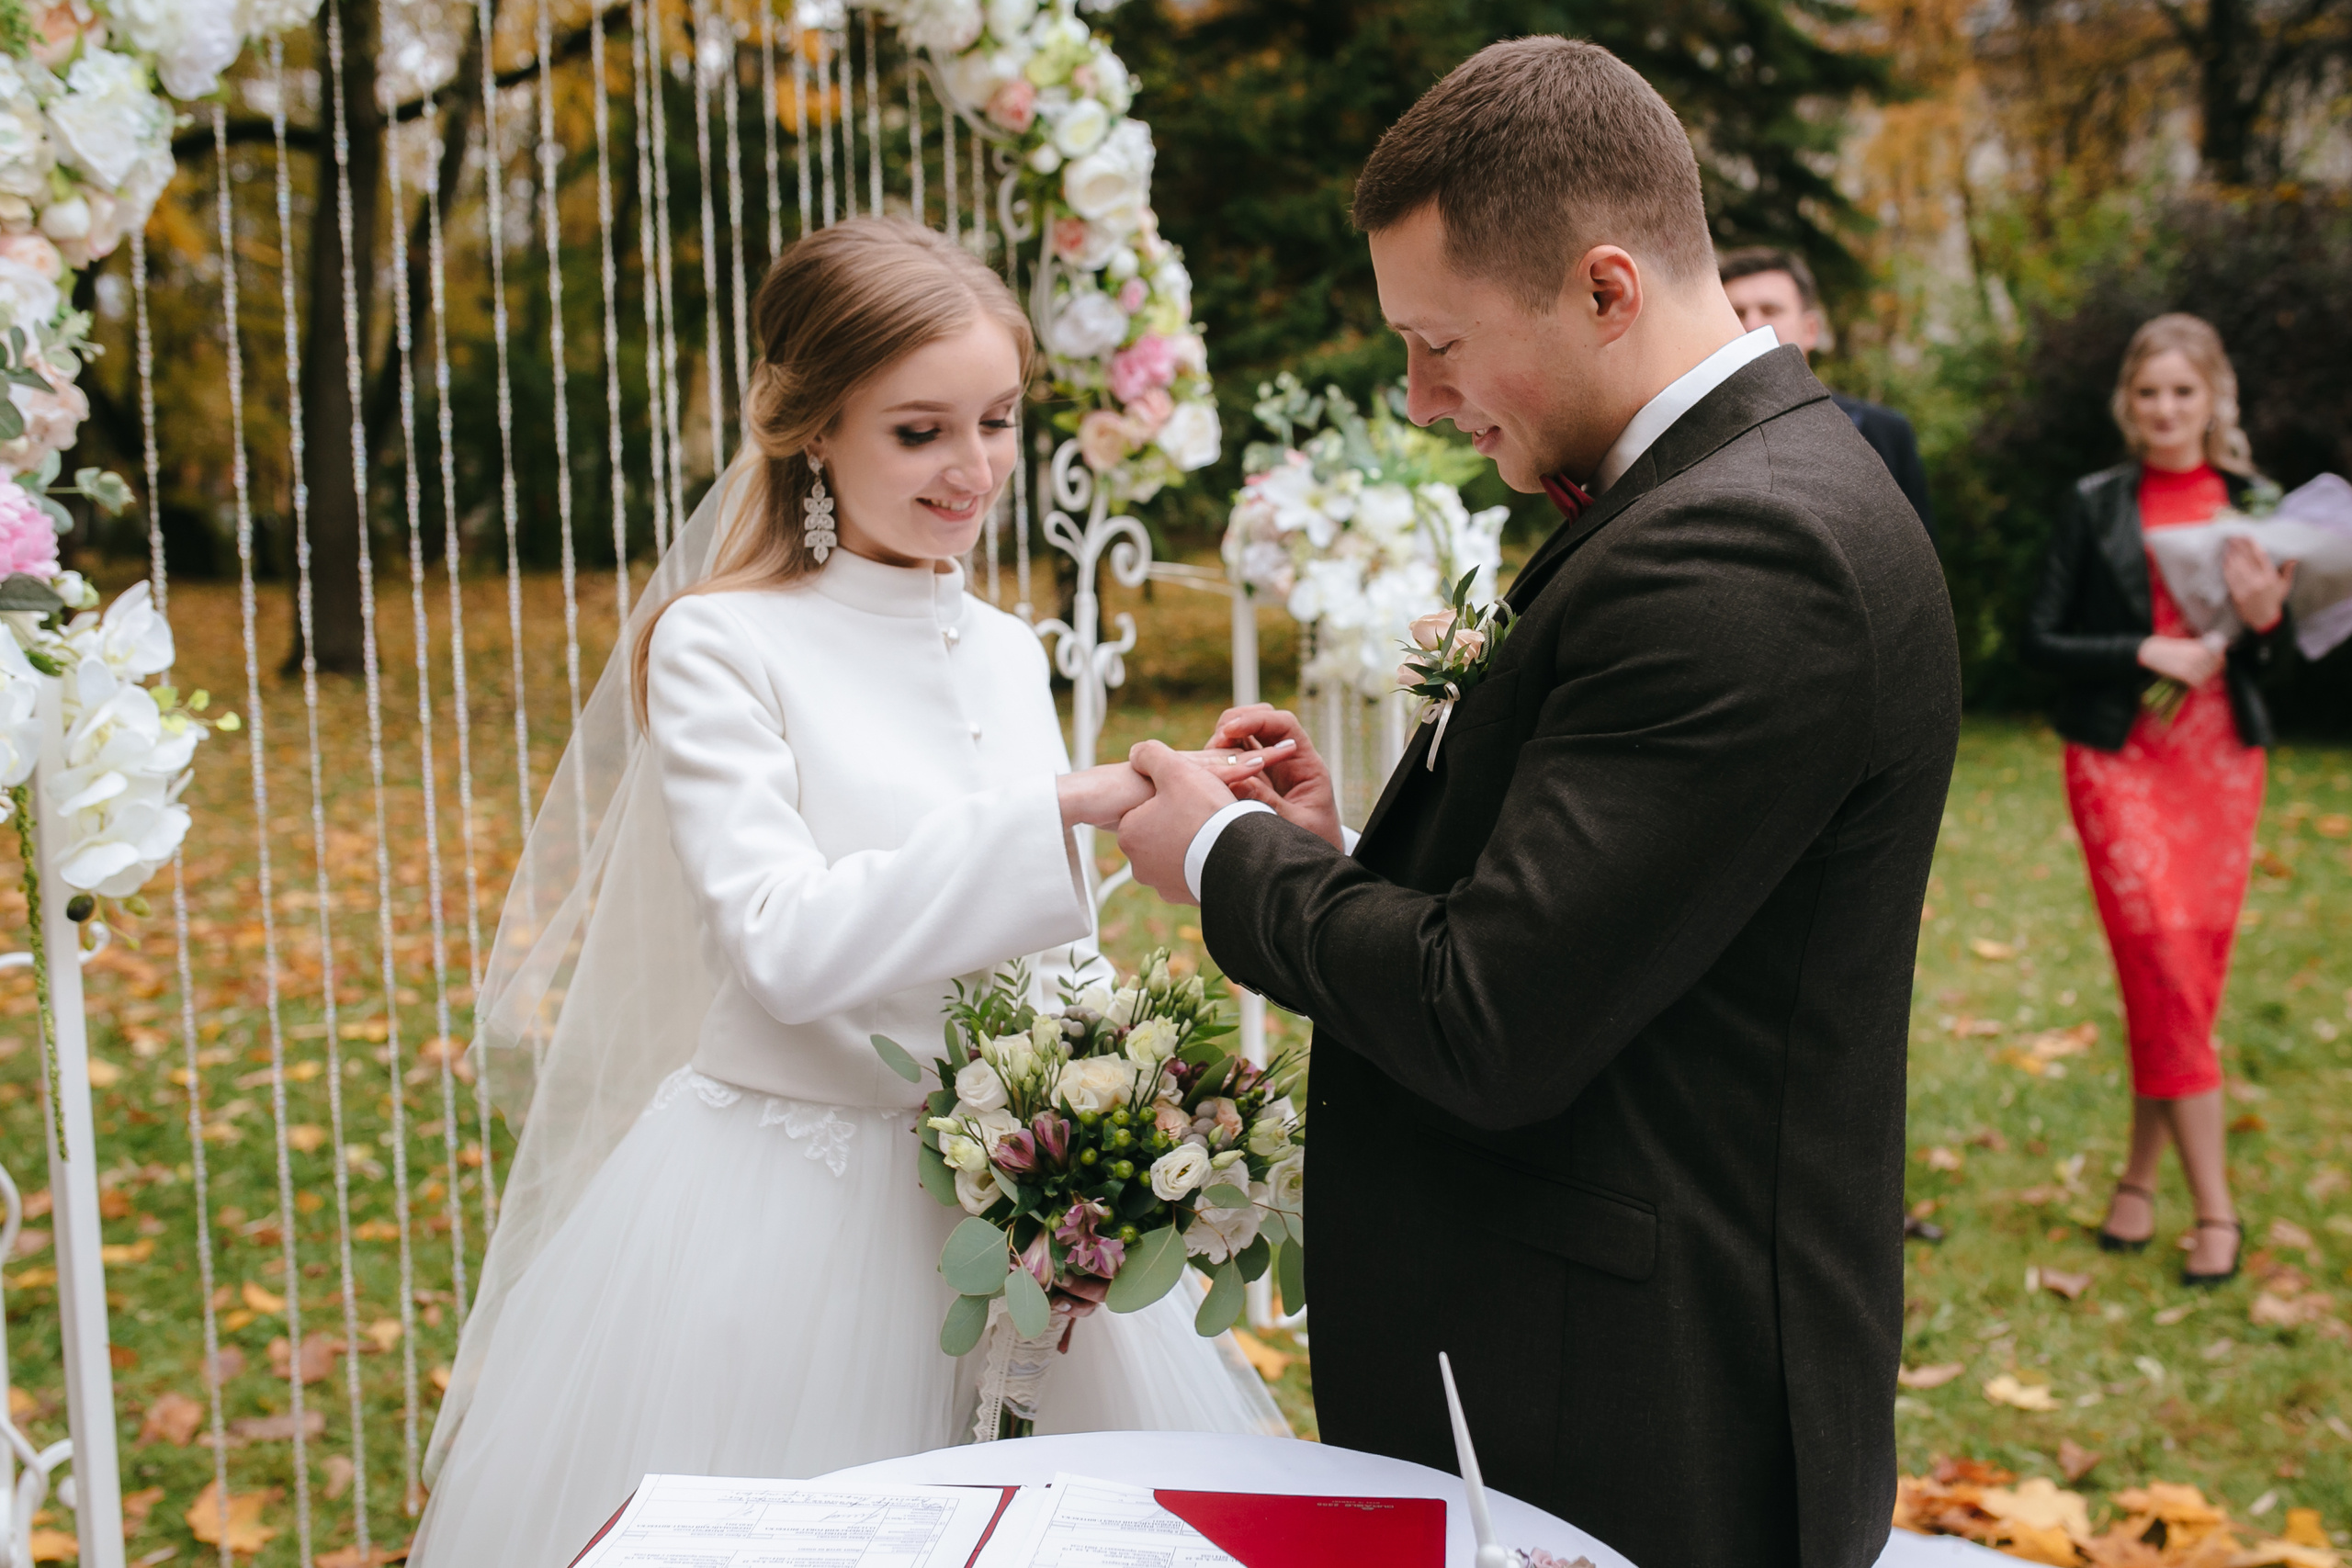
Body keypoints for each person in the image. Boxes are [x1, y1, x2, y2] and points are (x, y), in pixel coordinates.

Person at [1115, 39, 1958, 1568]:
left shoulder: (1749, 554)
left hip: (1639, 1407)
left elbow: (1490, 1016)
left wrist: (1225, 858)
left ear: (1607, 289)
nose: (1423, 398)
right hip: (1571, 1346)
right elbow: (1602, 912)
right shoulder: (1713, 490)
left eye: (1439, 342)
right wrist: (1348, 858)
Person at [412, 219, 1283, 1567]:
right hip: (790, 1207)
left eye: (995, 420)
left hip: (1012, 1202)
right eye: (920, 431)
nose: (974, 468)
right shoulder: (723, 641)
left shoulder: (1001, 648)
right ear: (815, 426)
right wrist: (1056, 807)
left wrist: (1123, 1103)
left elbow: (1037, 947)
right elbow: (783, 943)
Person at [2022, 312, 2295, 1289]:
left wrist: (2263, 620)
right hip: (2120, 762)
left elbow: (2277, 651)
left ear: (2212, 397)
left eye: (2184, 392)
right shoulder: (2095, 503)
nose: (2166, 410)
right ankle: (2216, 1210)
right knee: (2162, 964)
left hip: (2219, 762)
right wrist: (2142, 650)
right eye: (2148, 393)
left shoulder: (2255, 501)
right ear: (2125, 405)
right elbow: (2039, 636)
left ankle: (2137, 1181)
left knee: (2181, 977)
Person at [1720, 245, 1936, 540]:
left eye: (1770, 310)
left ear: (1811, 329)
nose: (1751, 324)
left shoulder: (1884, 433)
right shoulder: (1697, 438)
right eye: (1737, 312)